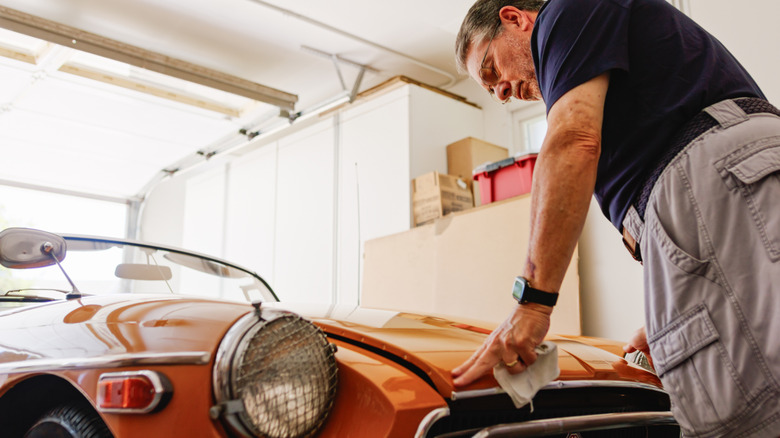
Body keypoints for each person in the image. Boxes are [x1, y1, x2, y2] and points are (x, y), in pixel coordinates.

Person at [451, 0, 780, 437]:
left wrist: (531, 304)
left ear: (515, 18)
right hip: (713, 199)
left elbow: (572, 138)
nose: (502, 93)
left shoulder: (565, 12)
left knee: (748, 413)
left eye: (492, 72)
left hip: (715, 180)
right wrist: (676, 301)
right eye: (491, 92)